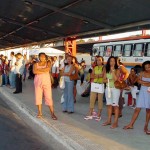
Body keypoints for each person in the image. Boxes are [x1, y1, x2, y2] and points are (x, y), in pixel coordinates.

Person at [123, 61, 150, 135]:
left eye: (149, 67)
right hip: (142, 92)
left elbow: (142, 82)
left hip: (149, 93)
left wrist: (143, 82)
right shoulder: (142, 73)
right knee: (137, 109)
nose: (147, 68)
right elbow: (138, 80)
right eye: (146, 67)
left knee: (148, 110)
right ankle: (131, 124)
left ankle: (146, 126)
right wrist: (145, 83)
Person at [33, 53, 57, 120]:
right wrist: (43, 70)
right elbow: (34, 71)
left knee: (48, 97)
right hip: (37, 82)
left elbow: (47, 70)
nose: (42, 58)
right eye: (41, 56)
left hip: (46, 82)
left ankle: (52, 113)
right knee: (38, 97)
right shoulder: (35, 64)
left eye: (43, 57)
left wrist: (39, 71)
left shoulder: (48, 63)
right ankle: (39, 112)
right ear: (39, 57)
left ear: (45, 57)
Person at [84, 56, 105, 121]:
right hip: (94, 84)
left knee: (100, 100)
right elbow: (91, 75)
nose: (98, 61)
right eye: (97, 60)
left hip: (100, 85)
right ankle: (90, 113)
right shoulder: (95, 67)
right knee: (92, 99)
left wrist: (96, 76)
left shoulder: (104, 68)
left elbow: (103, 75)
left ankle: (99, 114)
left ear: (102, 61)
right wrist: (98, 76)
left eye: (99, 60)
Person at [102, 56, 120, 129]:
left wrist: (112, 72)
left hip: (115, 89)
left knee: (115, 105)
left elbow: (116, 79)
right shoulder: (106, 70)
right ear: (108, 62)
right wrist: (109, 80)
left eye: (113, 61)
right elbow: (103, 80)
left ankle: (115, 122)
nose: (112, 62)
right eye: (110, 61)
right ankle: (109, 120)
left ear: (115, 62)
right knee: (109, 105)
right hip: (108, 89)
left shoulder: (117, 70)